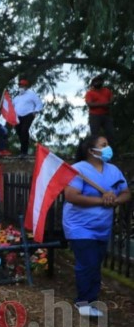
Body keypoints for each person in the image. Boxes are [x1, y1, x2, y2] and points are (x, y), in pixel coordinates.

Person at [63, 135, 130, 317]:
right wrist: (101, 200)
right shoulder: (78, 170)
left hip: (102, 227)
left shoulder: (114, 170)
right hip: (79, 226)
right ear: (91, 151)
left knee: (95, 264)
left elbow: (126, 193)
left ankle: (90, 299)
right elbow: (71, 196)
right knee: (87, 263)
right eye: (104, 145)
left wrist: (114, 199)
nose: (108, 148)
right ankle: (83, 303)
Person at [13, 79, 43, 157]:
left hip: (28, 115)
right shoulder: (17, 97)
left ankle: (24, 151)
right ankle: (22, 150)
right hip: (18, 117)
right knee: (19, 132)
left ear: (26, 86)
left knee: (24, 130)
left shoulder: (31, 94)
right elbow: (12, 106)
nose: (21, 87)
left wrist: (35, 111)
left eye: (22, 86)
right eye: (20, 85)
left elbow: (39, 103)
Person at [84, 75, 114, 145]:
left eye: (99, 81)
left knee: (110, 134)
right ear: (93, 83)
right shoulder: (90, 93)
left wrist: (109, 102)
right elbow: (90, 104)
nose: (97, 83)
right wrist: (103, 104)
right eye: (95, 82)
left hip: (106, 115)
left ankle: (114, 153)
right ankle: (95, 152)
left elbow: (112, 99)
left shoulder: (107, 91)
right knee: (94, 135)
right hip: (95, 116)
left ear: (102, 82)